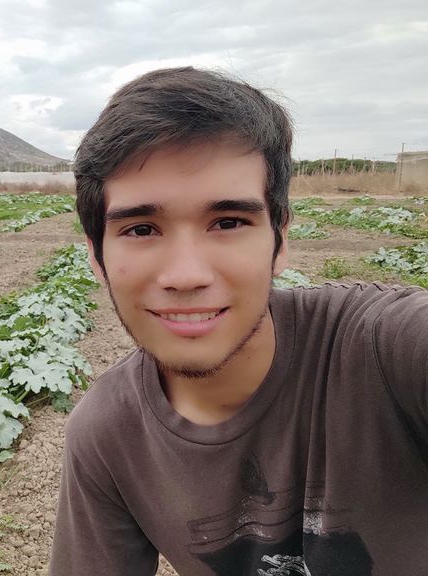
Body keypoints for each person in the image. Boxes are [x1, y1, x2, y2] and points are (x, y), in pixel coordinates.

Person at [49, 67, 428, 576]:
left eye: (228, 223)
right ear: (96, 255)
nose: (186, 275)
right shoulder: (107, 435)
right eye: (141, 228)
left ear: (280, 237)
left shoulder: (387, 350)